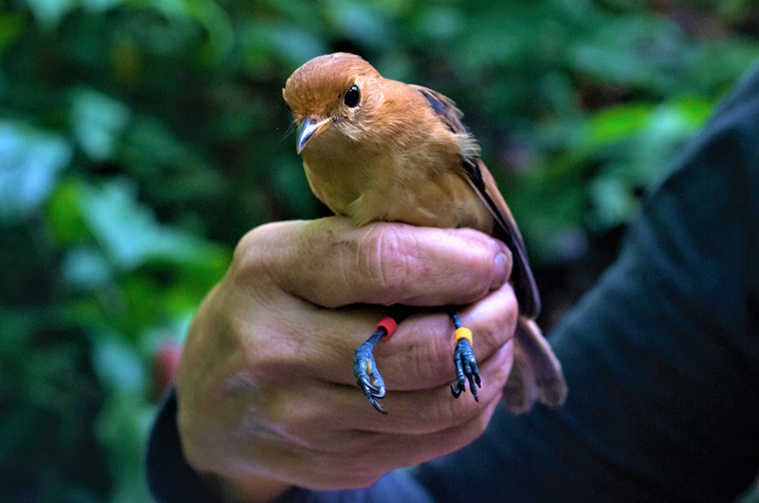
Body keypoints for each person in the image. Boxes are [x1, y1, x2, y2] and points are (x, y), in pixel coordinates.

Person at [146, 62, 759, 502]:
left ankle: (463, 335)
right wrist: (236, 469)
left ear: (371, 89)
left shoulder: (421, 117)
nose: (315, 128)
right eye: (302, 119)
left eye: (348, 100)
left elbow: (483, 193)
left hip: (475, 270)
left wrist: (478, 313)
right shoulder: (735, 198)